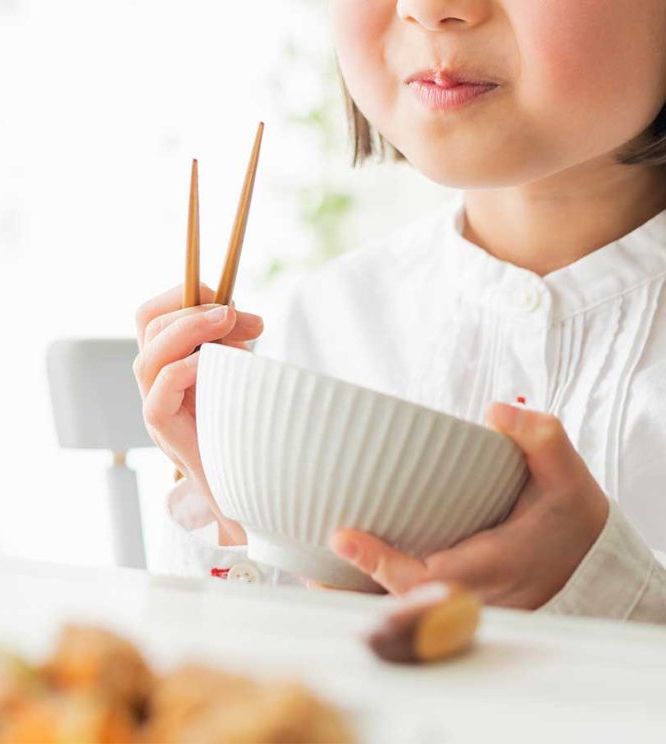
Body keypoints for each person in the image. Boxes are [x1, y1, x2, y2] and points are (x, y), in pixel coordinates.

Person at [133, 0, 666, 622]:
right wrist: (236, 511)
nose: (427, 8)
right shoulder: (323, 325)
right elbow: (241, 665)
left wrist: (605, 590)